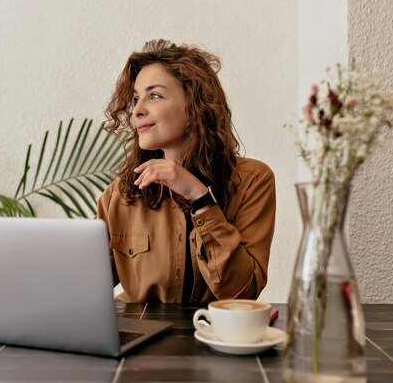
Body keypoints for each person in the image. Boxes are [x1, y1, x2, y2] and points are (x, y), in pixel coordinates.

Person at [97, 39, 275, 303]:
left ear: (195, 106)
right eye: (135, 99)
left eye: (154, 95)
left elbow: (242, 293)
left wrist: (199, 198)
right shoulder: (120, 195)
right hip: (138, 336)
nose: (136, 110)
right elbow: (83, 286)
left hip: (215, 336)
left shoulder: (252, 181)